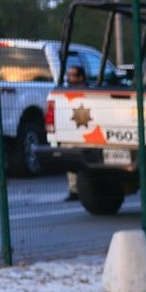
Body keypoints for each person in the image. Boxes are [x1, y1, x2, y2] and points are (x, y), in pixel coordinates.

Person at [63, 61, 88, 202]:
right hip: (70, 133)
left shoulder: (87, 93)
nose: (70, 78)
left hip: (86, 134)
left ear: (81, 77)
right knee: (70, 160)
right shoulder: (65, 93)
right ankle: (74, 190)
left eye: (73, 75)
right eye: (69, 75)